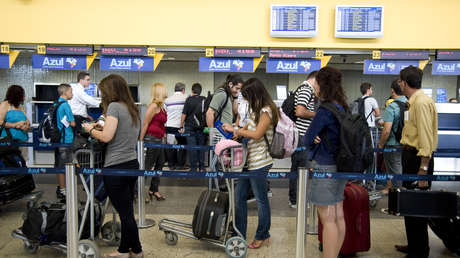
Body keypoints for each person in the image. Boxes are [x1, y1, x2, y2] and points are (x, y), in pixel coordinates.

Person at [82, 74, 143, 258]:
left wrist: (90, 129)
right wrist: (102, 128)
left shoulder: (114, 107)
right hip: (132, 164)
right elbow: (119, 132)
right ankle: (127, 249)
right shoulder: (132, 108)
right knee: (127, 211)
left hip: (116, 166)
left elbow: (107, 137)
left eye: (103, 92)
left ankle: (136, 251)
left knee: (125, 213)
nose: (102, 96)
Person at [222, 78, 279, 249]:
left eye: (247, 96)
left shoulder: (266, 111)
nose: (244, 99)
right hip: (248, 160)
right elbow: (247, 129)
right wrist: (237, 132)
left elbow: (257, 134)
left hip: (260, 161)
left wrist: (236, 130)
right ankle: (238, 233)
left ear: (254, 94)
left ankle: (263, 235)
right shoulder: (255, 110)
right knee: (239, 197)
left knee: (261, 200)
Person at [304, 67, 348, 258]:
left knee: (327, 219)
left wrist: (313, 138)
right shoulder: (344, 106)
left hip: (324, 165)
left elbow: (307, 138)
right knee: (338, 214)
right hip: (341, 166)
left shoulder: (325, 109)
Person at [394, 66, 438, 258]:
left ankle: (420, 251)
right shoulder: (415, 101)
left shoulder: (420, 103)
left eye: (400, 81)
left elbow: (426, 137)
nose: (399, 84)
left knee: (418, 206)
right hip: (411, 156)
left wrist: (423, 168)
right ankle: (414, 245)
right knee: (410, 204)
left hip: (418, 160)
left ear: (404, 82)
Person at [289, 71, 318, 209]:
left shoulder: (303, 89)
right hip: (301, 137)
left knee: (297, 168)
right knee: (302, 168)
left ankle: (295, 199)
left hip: (301, 136)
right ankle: (297, 200)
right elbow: (300, 112)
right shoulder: (306, 89)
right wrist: (317, 114)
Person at [377, 80, 407, 194]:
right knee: (398, 166)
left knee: (393, 168)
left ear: (392, 90)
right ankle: (395, 190)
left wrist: (380, 144)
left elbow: (386, 130)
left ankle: (397, 193)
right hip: (406, 142)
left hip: (392, 142)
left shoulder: (392, 106)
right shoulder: (409, 104)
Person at [140, 83, 167, 202]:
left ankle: (154, 189)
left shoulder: (161, 107)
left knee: (160, 164)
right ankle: (139, 192)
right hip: (151, 139)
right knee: (147, 167)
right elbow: (145, 123)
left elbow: (161, 124)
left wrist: (164, 138)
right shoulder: (153, 106)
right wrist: (140, 141)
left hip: (159, 139)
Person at [54, 84, 76, 200]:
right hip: (66, 139)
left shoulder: (56, 103)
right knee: (66, 166)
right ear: (65, 92)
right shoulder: (65, 105)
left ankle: (62, 189)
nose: (72, 94)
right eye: (71, 91)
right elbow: (72, 123)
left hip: (58, 139)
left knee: (59, 165)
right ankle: (64, 191)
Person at [179, 83, 206, 172]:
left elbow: (184, 114)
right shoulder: (204, 100)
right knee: (201, 148)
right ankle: (202, 167)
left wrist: (181, 126)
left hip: (190, 127)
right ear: (200, 91)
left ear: (192, 90)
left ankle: (193, 168)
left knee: (192, 148)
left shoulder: (189, 99)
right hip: (202, 128)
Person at [164, 82, 187, 170]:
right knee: (182, 145)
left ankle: (171, 165)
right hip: (180, 127)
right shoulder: (186, 98)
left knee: (170, 145)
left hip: (169, 126)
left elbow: (165, 114)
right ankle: (180, 165)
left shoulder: (167, 100)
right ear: (183, 90)